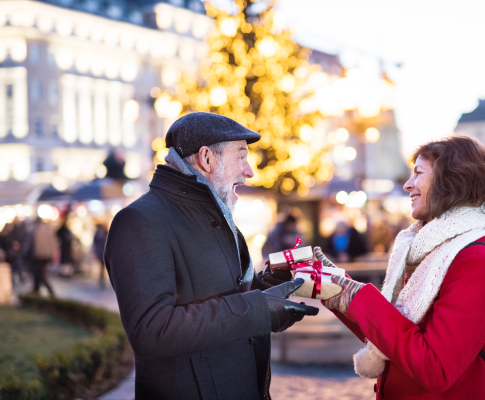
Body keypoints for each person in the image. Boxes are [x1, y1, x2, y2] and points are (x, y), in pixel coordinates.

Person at [104, 112, 318, 399]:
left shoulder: (216, 216)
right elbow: (151, 330)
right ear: (207, 159)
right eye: (241, 156)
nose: (249, 171)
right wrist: (258, 309)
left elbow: (225, 298)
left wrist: (268, 283)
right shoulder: (140, 221)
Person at [319, 136, 485, 399]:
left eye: (419, 173)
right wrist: (332, 285)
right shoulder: (431, 249)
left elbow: (436, 368)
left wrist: (356, 296)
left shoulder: (476, 260)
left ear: (452, 181)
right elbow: (392, 335)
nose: (408, 184)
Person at [27, 217, 58, 296]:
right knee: (39, 274)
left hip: (38, 256)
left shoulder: (35, 229)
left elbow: (29, 244)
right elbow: (54, 243)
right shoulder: (48, 229)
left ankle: (49, 291)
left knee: (40, 275)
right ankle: (36, 291)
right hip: (46, 256)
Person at [93, 223, 108, 288]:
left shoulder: (105, 233)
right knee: (101, 267)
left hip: (104, 252)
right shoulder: (97, 234)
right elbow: (95, 244)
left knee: (103, 267)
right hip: (99, 252)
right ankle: (101, 280)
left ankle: (102, 280)